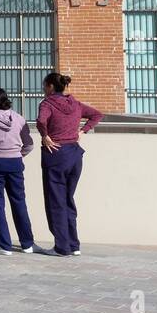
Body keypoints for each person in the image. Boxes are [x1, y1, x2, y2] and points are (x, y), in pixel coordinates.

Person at [36, 72, 103, 256]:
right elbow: (97, 114)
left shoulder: (47, 104)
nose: (43, 88)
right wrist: (83, 131)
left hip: (56, 154)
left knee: (55, 201)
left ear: (50, 86)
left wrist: (45, 136)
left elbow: (41, 120)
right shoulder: (76, 104)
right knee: (68, 199)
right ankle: (74, 245)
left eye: (45, 85)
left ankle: (61, 246)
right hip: (74, 154)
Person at [0, 88, 36, 255]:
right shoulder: (19, 118)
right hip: (15, 163)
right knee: (19, 201)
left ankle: (4, 244)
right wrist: (17, 154)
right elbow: (29, 144)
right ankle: (27, 243)